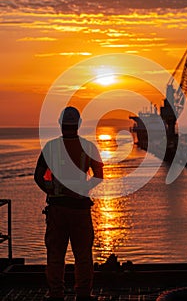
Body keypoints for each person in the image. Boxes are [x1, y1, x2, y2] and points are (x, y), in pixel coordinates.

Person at [34, 106, 104, 301]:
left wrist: (50, 190)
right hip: (80, 210)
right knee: (83, 256)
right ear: (79, 124)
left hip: (57, 210)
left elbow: (38, 176)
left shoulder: (50, 147)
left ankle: (56, 294)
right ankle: (83, 294)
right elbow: (99, 176)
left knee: (55, 255)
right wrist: (84, 189)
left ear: (60, 124)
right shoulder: (89, 147)